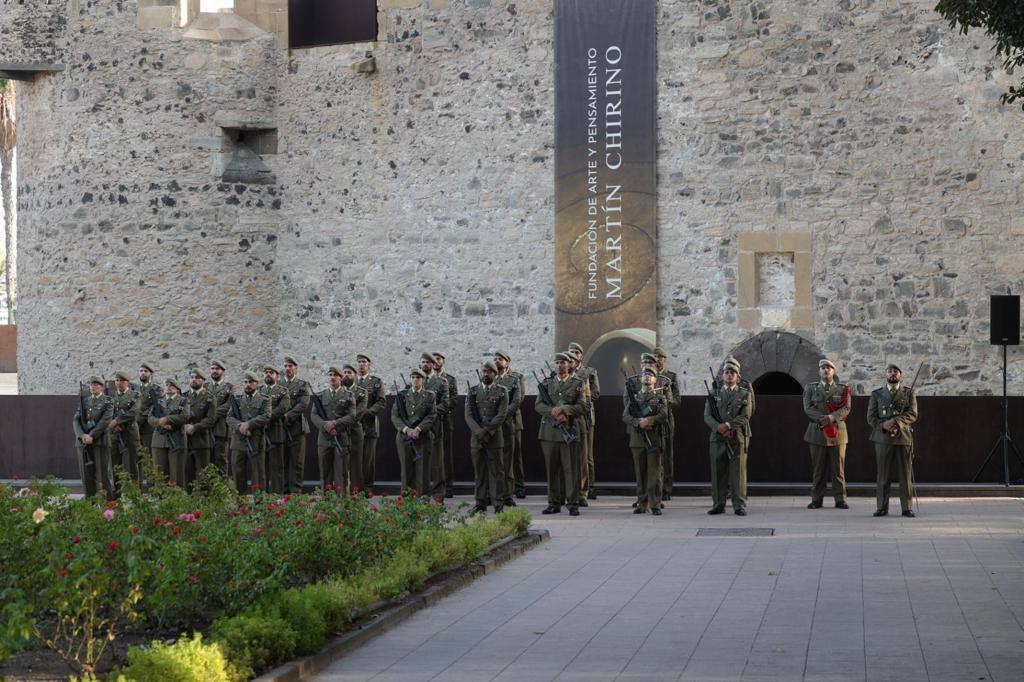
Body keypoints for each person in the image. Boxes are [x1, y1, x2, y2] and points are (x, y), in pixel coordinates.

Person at [536, 352, 587, 516]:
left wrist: (564, 409)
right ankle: (553, 503)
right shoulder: (546, 383)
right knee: (552, 470)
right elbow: (538, 405)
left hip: (569, 431)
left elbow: (583, 406)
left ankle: (572, 503)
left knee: (571, 469)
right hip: (549, 433)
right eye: (557, 362)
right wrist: (552, 411)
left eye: (563, 362)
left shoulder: (578, 383)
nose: (560, 365)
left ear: (569, 364)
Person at [867, 364, 919, 517]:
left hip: (903, 437)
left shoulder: (909, 393)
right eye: (889, 371)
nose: (892, 374)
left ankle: (907, 508)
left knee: (905, 475)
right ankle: (882, 507)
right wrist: (885, 424)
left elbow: (913, 414)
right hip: (883, 438)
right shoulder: (876, 394)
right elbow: (871, 418)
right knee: (883, 475)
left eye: (896, 372)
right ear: (886, 374)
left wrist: (896, 422)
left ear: (900, 375)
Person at [703, 359, 753, 515]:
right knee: (718, 472)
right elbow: (707, 416)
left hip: (736, 436)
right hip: (717, 437)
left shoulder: (744, 393)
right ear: (722, 375)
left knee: (738, 473)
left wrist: (729, 426)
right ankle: (719, 504)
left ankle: (739, 505)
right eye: (727, 372)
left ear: (738, 376)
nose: (729, 375)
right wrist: (719, 427)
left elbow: (746, 415)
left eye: (733, 373)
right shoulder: (714, 394)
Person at [803, 358, 851, 509]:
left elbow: (846, 408)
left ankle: (840, 499)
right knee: (818, 469)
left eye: (829, 368)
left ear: (833, 371)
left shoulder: (843, 389)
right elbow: (808, 408)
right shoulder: (811, 388)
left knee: (838, 469)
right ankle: (816, 499)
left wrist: (831, 417)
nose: (825, 370)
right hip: (817, 433)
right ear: (819, 371)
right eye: (823, 368)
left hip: (837, 433)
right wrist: (822, 418)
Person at [465, 361, 509, 513]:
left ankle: (498, 503)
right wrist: (478, 431)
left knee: (497, 471)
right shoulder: (473, 391)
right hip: (476, 439)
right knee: (480, 471)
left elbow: (502, 414)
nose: (485, 374)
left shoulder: (502, 391)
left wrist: (487, 431)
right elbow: (468, 414)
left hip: (494, 438)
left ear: (495, 374)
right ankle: (480, 502)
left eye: (489, 372)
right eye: (484, 371)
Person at [623, 367, 668, 515]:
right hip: (637, 440)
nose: (648, 377)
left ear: (655, 380)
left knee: (654, 473)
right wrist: (638, 422)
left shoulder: (660, 398)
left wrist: (648, 420)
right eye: (645, 374)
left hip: (654, 438)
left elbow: (663, 415)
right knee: (640, 472)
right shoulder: (634, 397)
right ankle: (642, 503)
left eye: (651, 375)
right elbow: (625, 416)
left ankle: (655, 504)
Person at [310, 366, 358, 491]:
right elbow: (314, 415)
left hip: (341, 437)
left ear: (340, 378)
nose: (332, 377)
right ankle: (326, 502)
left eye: (335, 375)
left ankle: (342, 502)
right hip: (324, 439)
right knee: (324, 473)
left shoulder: (348, 395)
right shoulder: (320, 395)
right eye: (330, 374)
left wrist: (335, 423)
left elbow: (352, 416)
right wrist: (326, 425)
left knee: (341, 473)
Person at [391, 367, 437, 493]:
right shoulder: (402, 395)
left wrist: (418, 429)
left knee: (423, 470)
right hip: (404, 437)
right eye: (413, 377)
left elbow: (431, 415)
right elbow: (395, 416)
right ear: (410, 379)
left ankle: (423, 498)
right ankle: (407, 500)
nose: (415, 380)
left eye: (418, 377)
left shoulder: (429, 396)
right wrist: (407, 429)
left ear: (423, 380)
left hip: (423, 437)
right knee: (406, 469)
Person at [225, 371, 271, 493]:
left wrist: (248, 424)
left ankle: (260, 503)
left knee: (257, 473)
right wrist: (240, 426)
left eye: (251, 382)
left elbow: (266, 416)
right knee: (237, 471)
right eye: (245, 382)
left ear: (256, 384)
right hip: (238, 441)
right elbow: (229, 418)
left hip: (256, 441)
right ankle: (240, 502)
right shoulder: (238, 400)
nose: (248, 385)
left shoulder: (264, 400)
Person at [567, 343, 599, 504]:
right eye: (570, 352)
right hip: (567, 419)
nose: (572, 355)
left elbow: (595, 393)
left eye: (576, 352)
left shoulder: (589, 372)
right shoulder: (564, 372)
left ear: (581, 355)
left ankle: (588, 487)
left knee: (586, 457)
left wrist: (582, 399)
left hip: (585, 416)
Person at [174, 368, 216, 489]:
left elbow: (210, 419)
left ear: (203, 380)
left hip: (201, 440)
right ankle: (189, 500)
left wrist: (195, 427)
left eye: (197, 378)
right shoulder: (183, 396)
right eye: (192, 377)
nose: (194, 380)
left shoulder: (209, 397)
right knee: (187, 471)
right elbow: (177, 415)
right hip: (184, 440)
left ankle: (206, 500)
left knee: (204, 472)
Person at [73, 376, 115, 498]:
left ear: (101, 387)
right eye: (91, 385)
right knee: (86, 474)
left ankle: (108, 501)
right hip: (83, 442)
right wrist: (82, 435)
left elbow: (105, 421)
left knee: (102, 473)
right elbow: (76, 420)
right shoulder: (84, 401)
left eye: (96, 385)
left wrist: (92, 435)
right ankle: (89, 500)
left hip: (100, 441)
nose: (93, 387)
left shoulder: (108, 401)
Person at [495, 351, 526, 500]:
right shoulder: (492, 378)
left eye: (500, 359)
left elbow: (518, 400)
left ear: (507, 362)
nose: (497, 361)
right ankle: (502, 487)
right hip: (496, 424)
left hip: (512, 421)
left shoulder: (516, 378)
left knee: (515, 455)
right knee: (500, 456)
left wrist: (502, 415)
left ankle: (519, 486)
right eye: (495, 359)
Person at [356, 353, 387, 491]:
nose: (361, 364)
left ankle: (368, 488)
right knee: (354, 458)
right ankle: (355, 488)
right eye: (359, 362)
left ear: (369, 364)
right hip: (353, 424)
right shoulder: (350, 381)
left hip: (370, 424)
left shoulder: (376, 382)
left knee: (368, 459)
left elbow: (381, 402)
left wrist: (368, 412)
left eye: (364, 362)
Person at [150, 377, 187, 487]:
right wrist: (160, 422)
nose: (169, 388)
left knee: (177, 473)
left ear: (177, 388)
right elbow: (150, 418)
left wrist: (167, 419)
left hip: (176, 440)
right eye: (167, 385)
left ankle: (177, 498)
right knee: (159, 473)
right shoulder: (159, 401)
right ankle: (161, 500)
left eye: (172, 386)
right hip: (159, 440)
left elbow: (185, 416)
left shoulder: (183, 401)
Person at [420, 353, 449, 496]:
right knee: (421, 461)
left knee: (437, 462)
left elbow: (445, 404)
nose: (425, 365)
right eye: (423, 362)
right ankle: (423, 493)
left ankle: (439, 494)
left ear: (432, 364)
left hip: (435, 424)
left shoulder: (441, 382)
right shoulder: (416, 379)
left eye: (427, 362)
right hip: (418, 426)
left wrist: (430, 411)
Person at [281, 356, 311, 493]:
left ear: (296, 368)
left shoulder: (302, 385)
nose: (288, 368)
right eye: (286, 366)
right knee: (282, 460)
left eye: (290, 366)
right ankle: (284, 488)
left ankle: (296, 490)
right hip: (280, 428)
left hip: (297, 427)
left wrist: (289, 415)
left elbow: (304, 404)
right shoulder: (278, 385)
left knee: (297, 461)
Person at [653, 347, 679, 501]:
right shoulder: (648, 376)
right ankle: (655, 486)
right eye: (655, 357)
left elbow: (677, 400)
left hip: (667, 419)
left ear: (664, 359)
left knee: (667, 455)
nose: (657, 360)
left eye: (660, 357)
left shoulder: (671, 377)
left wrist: (664, 401)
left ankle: (667, 488)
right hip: (652, 420)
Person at [260, 366, 292, 493]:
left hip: (276, 433)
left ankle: (277, 496)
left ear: (277, 376)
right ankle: (262, 495)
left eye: (271, 373)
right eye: (266, 372)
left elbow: (282, 408)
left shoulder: (283, 391)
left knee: (277, 467)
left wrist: (265, 418)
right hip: (260, 433)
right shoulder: (259, 390)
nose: (268, 374)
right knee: (261, 467)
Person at [106, 370, 141, 486]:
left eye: (122, 381)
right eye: (117, 380)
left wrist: (117, 421)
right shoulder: (111, 397)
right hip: (114, 434)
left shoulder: (135, 395)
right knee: (115, 463)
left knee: (132, 462)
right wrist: (112, 425)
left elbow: (133, 412)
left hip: (130, 432)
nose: (119, 383)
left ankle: (135, 492)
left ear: (127, 382)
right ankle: (117, 492)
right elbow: (107, 413)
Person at [433, 352, 458, 498]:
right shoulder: (424, 378)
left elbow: (453, 400)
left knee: (446, 456)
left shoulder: (450, 379)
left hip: (444, 420)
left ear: (443, 361)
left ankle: (448, 486)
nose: (436, 361)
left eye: (438, 359)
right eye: (434, 359)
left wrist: (436, 410)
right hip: (428, 423)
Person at [207, 360, 234, 477]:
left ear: (222, 371)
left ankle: (223, 488)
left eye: (217, 369)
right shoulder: (205, 387)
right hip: (205, 429)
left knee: (221, 459)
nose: (214, 371)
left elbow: (229, 405)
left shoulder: (229, 388)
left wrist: (210, 414)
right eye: (212, 368)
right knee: (207, 460)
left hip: (221, 430)